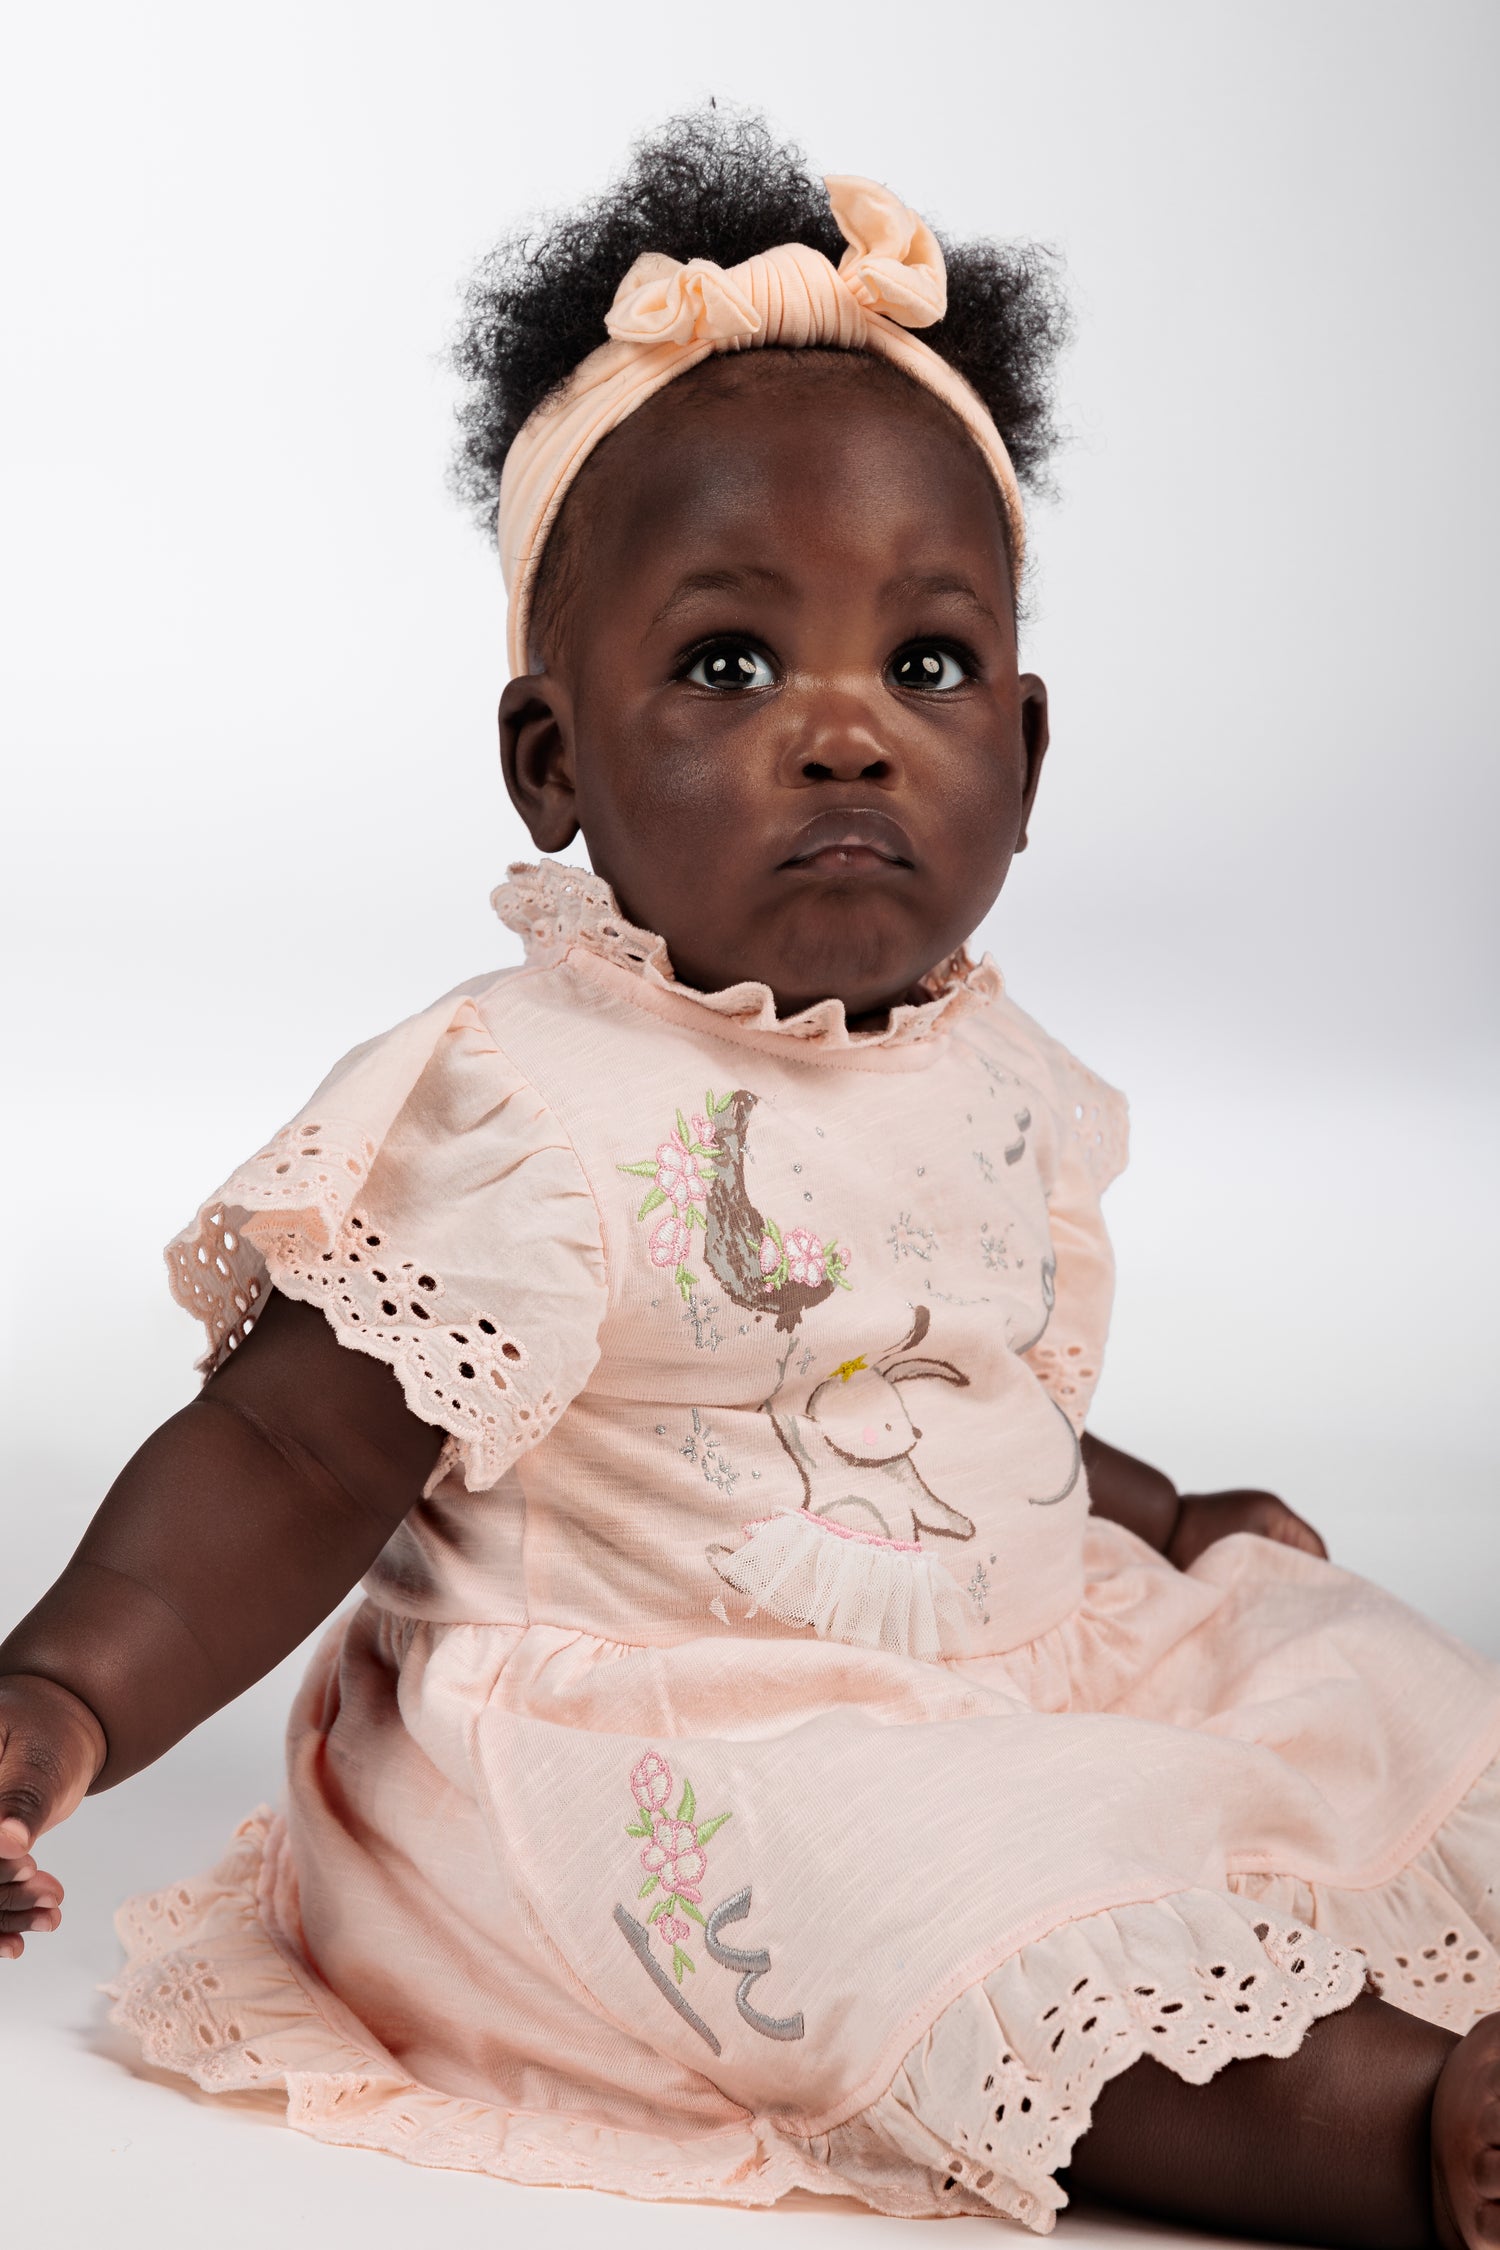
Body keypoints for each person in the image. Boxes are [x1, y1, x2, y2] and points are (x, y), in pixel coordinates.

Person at [1, 111, 1495, 2248]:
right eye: (728, 664)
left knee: (1352, 1674)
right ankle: (1401, 2129)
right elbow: (287, 1454)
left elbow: (938, 1386)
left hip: (990, 1653)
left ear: (1027, 757)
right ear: (553, 759)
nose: (846, 729)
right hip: (677, 1740)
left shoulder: (992, 1074)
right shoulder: (522, 1105)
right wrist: (62, 1693)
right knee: (926, 1907)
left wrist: (1158, 1523)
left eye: (927, 665)